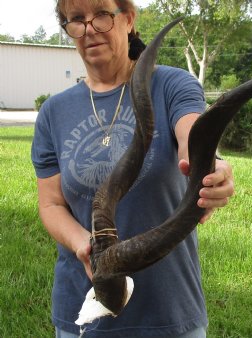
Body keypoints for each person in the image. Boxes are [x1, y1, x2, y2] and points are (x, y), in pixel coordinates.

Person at [31, 0, 234, 337]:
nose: (89, 28)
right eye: (76, 19)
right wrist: (85, 244)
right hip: (84, 312)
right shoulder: (54, 111)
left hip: (169, 310)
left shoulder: (170, 84)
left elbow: (194, 136)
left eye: (101, 15)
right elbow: (50, 204)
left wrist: (212, 168)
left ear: (128, 19)